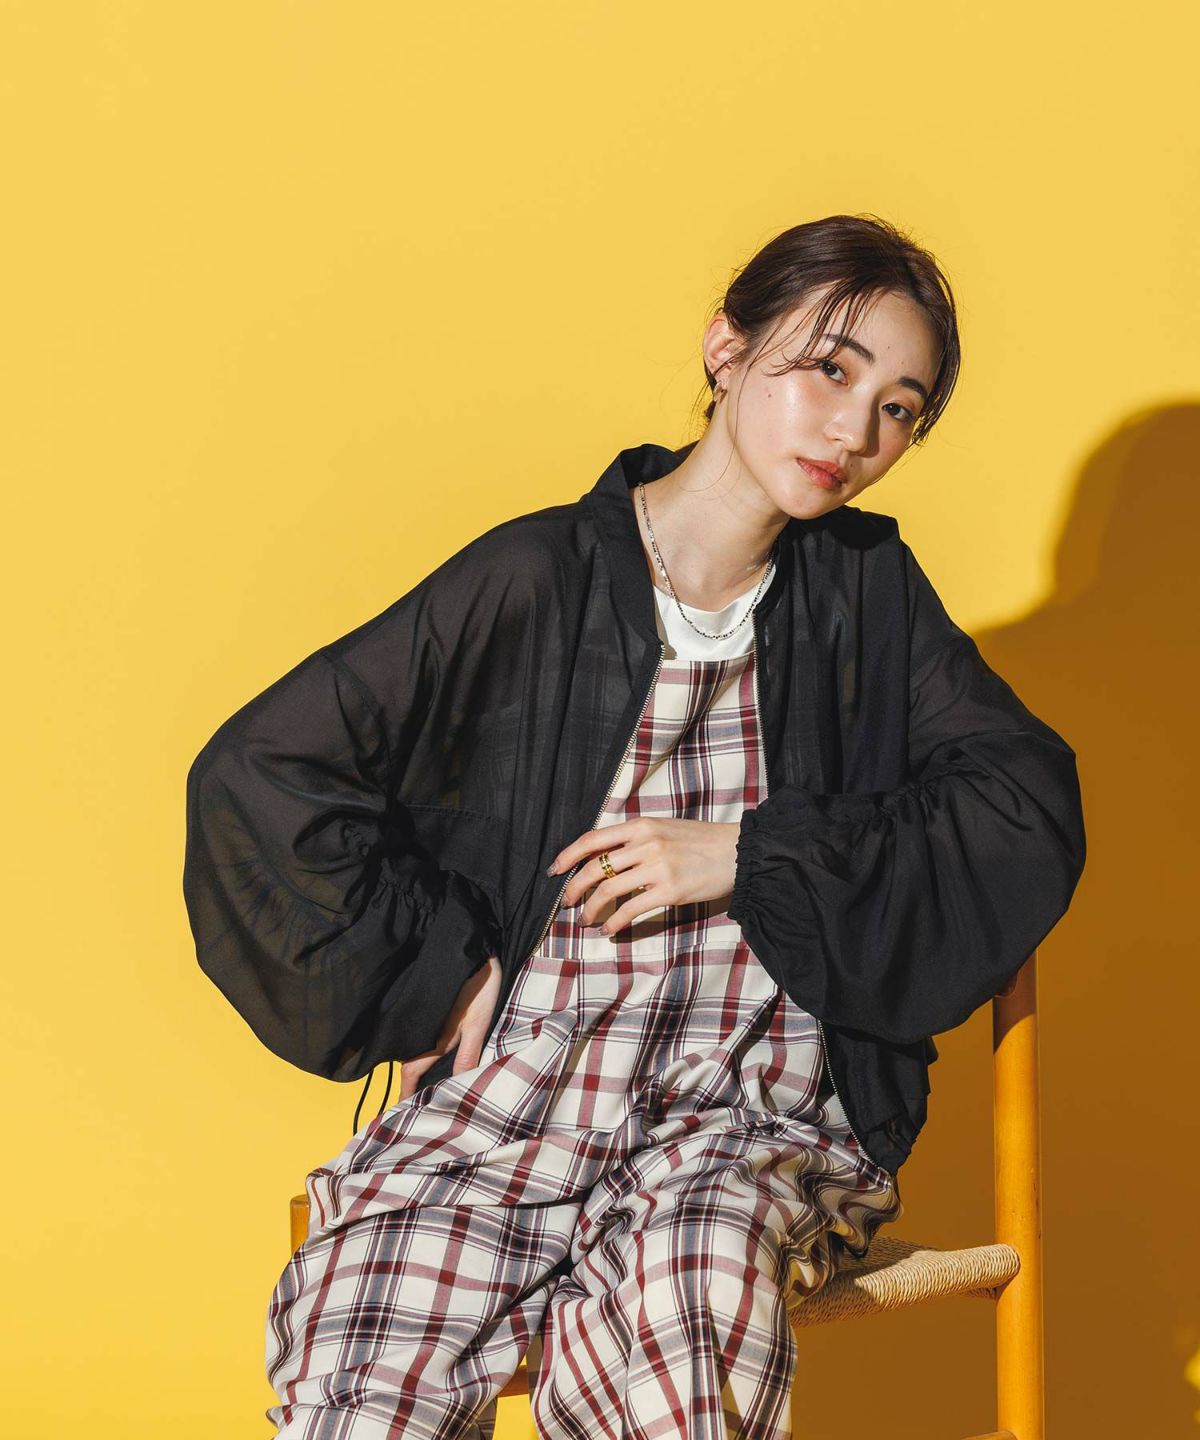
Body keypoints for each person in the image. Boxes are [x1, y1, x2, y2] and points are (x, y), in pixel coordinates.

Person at [182, 214, 1086, 1440]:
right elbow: (264, 773)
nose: (855, 431)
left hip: (753, 1114)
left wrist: (748, 856)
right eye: (830, 369)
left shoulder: (868, 596)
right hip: (520, 1100)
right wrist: (436, 976)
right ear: (727, 347)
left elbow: (1025, 805)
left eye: (899, 409)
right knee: (372, 1331)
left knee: (690, 1287)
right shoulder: (537, 575)